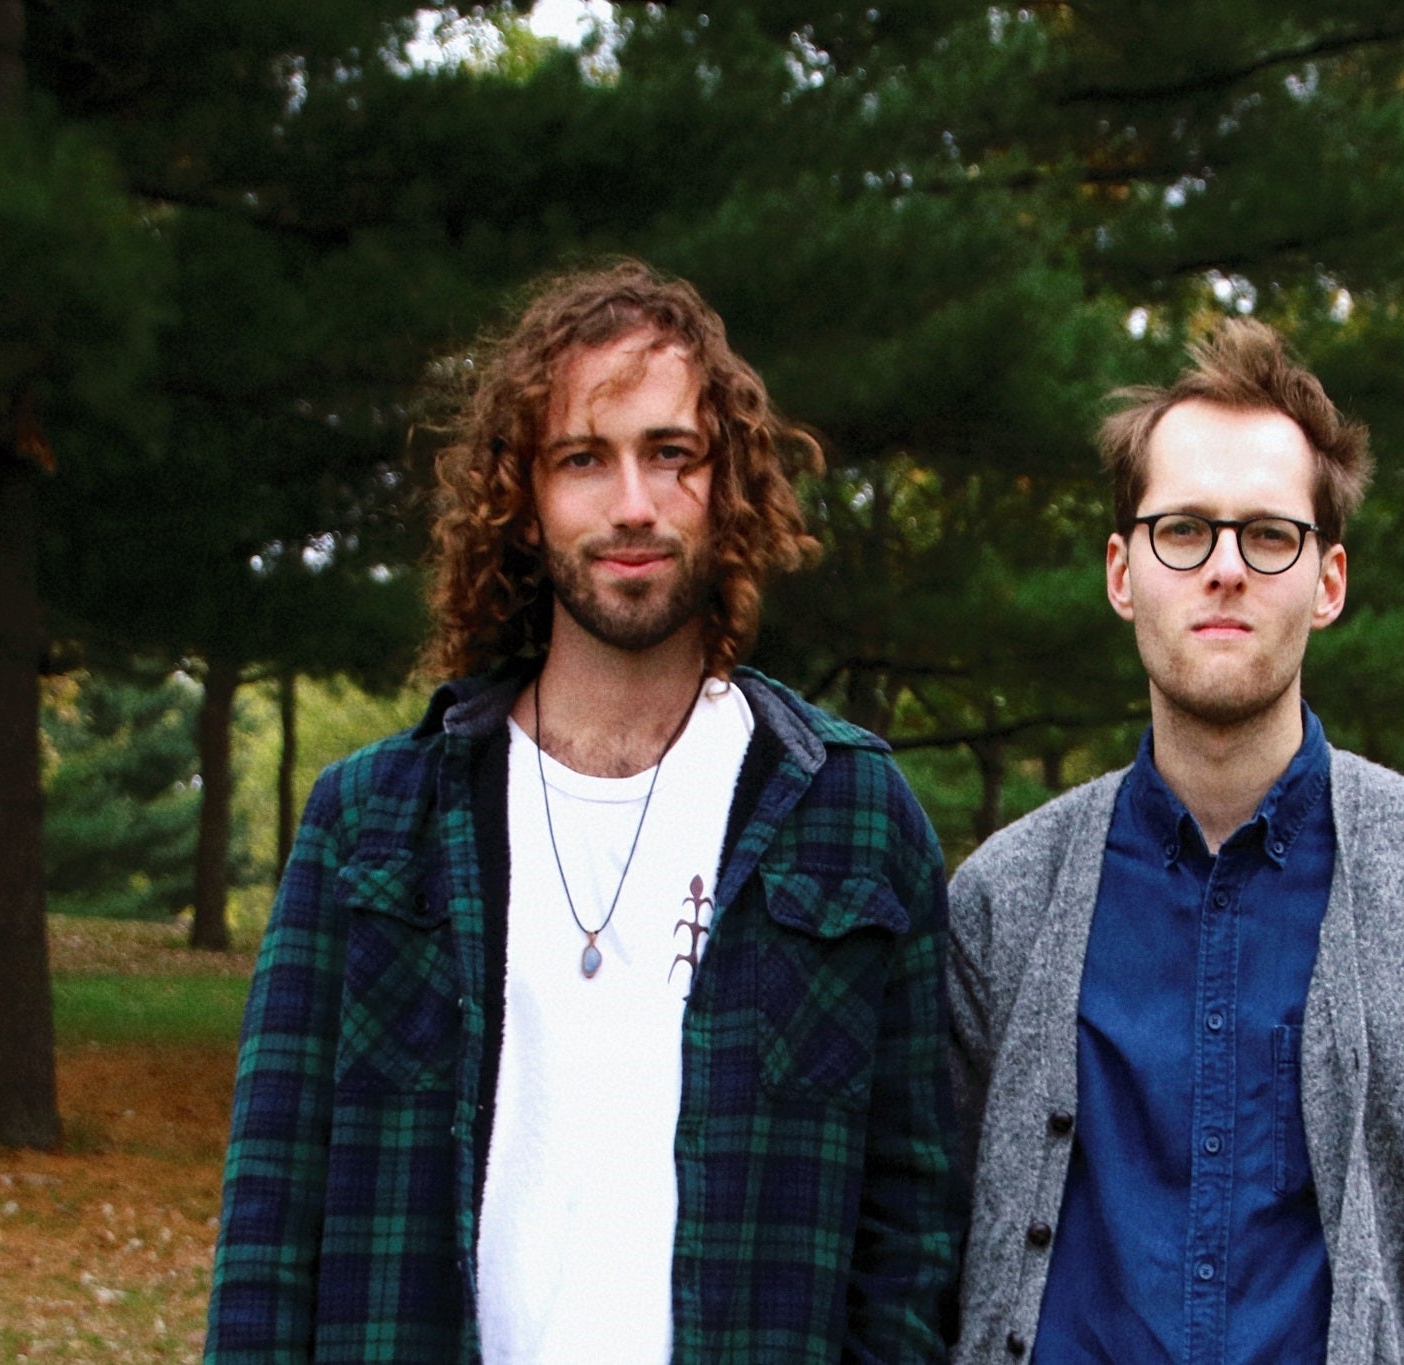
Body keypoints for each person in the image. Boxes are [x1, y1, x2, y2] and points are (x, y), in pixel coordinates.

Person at [206, 259, 959, 1363]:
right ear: (523, 498)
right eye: (582, 460)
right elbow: (270, 1228)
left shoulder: (849, 815)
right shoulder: (371, 825)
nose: (633, 504)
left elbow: (908, 1247)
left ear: (729, 482)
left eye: (671, 454)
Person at [946, 319, 1404, 1365]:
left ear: (1326, 580)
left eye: (1267, 535)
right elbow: (931, 1256)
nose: (1224, 569)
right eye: (1182, 530)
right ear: (1120, 572)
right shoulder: (1003, 898)